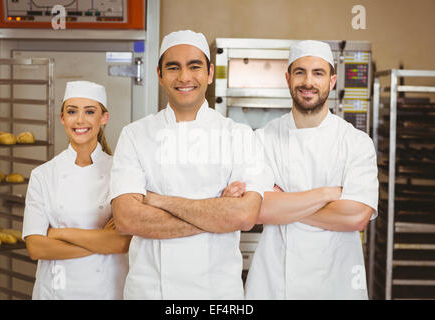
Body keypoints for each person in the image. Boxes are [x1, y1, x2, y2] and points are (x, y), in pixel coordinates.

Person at [110, 30, 270, 300]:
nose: (184, 77)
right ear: (159, 75)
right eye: (173, 68)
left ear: (209, 73)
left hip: (216, 294)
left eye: (194, 67)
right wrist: (218, 213)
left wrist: (159, 201)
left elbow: (244, 217)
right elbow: (126, 219)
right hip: (150, 291)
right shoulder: (135, 135)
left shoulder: (239, 135)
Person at [242, 40, 379, 299]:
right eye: (300, 72)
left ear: (332, 81)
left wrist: (283, 204)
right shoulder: (262, 139)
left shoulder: (356, 142)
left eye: (318, 73)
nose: (308, 82)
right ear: (287, 78)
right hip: (274, 284)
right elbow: (256, 209)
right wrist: (327, 194)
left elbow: (355, 217)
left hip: (337, 282)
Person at [22, 81, 131, 299]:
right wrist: (102, 242)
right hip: (56, 292)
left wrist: (60, 234)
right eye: (72, 112)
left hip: (107, 291)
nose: (80, 120)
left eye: (90, 112)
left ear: (103, 118)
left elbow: (121, 242)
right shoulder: (43, 175)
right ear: (63, 118)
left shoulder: (121, 171)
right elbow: (36, 247)